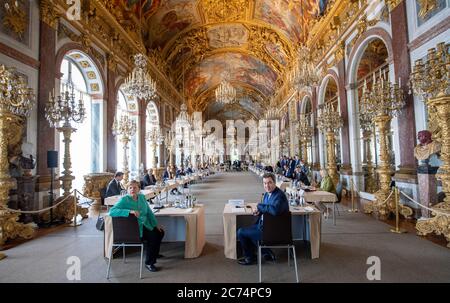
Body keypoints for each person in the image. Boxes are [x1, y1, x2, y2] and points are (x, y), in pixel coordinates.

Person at [109, 180, 165, 272]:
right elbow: (112, 211)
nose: (132, 189)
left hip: (145, 224)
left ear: (139, 189)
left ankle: (154, 253)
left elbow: (149, 212)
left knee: (160, 232)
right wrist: (129, 212)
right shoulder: (124, 200)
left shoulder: (142, 197)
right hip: (135, 229)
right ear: (127, 189)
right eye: (130, 187)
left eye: (135, 187)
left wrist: (156, 224)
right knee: (154, 237)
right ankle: (149, 262)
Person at [237, 173, 289, 265]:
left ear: (275, 183)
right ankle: (266, 252)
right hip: (264, 226)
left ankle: (250, 258)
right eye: (265, 183)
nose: (267, 186)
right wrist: (259, 212)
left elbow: (275, 210)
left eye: (269, 183)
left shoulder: (279, 196)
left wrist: (259, 206)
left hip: (272, 231)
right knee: (249, 230)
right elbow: (267, 209)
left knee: (241, 232)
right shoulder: (266, 194)